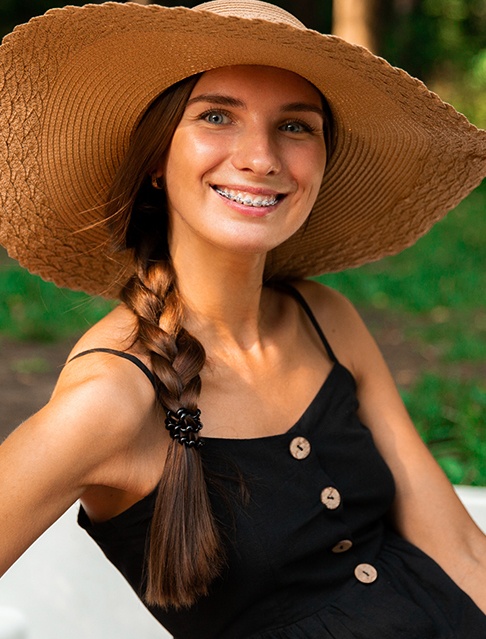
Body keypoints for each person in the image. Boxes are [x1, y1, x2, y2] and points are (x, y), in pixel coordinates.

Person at [0, 1, 485, 637]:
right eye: (217, 116)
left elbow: (459, 547)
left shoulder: (324, 319)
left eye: (296, 126)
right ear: (155, 159)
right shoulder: (111, 401)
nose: (260, 157)